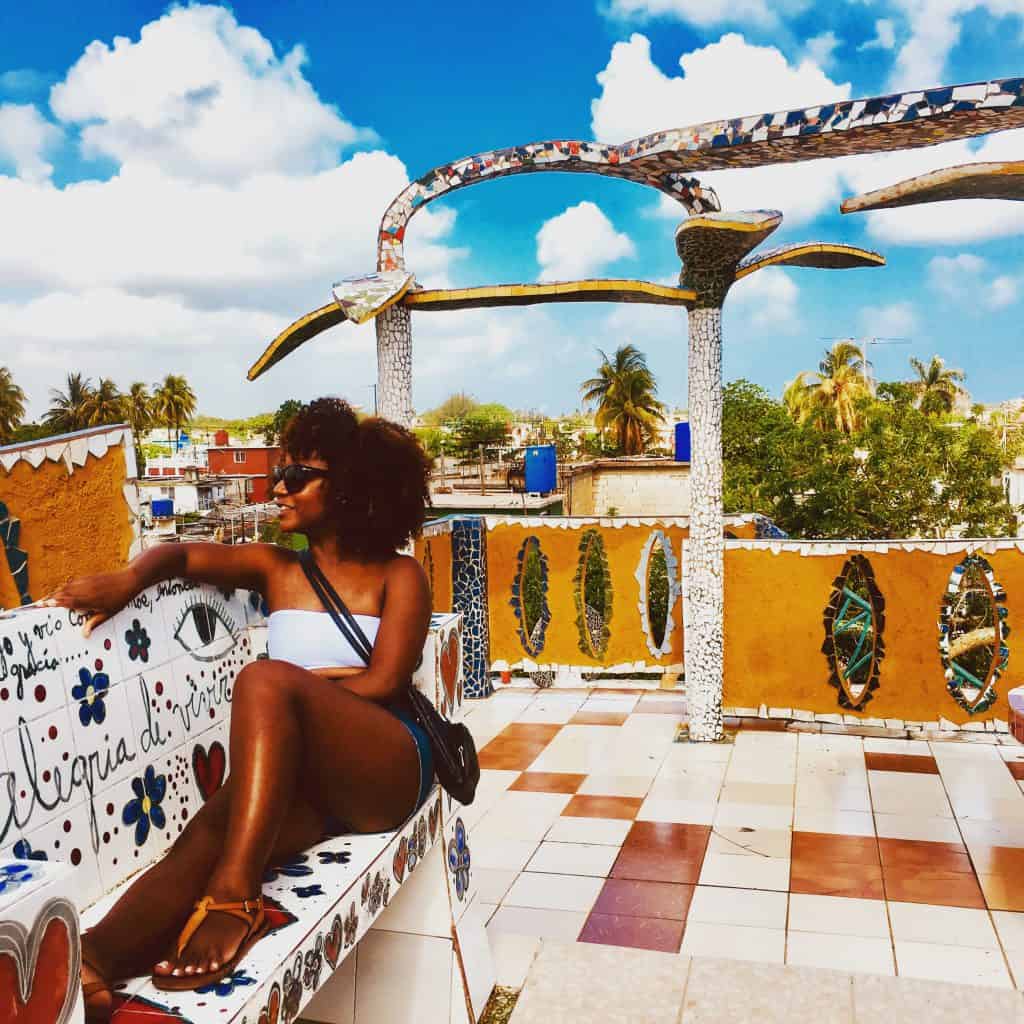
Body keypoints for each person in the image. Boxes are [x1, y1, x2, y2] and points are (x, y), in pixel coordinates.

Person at [49, 398, 434, 1019]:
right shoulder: (276, 569)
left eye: (297, 475)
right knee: (214, 831)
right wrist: (129, 579)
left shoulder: (400, 576)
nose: (277, 486)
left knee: (263, 683)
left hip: (387, 767)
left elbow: (387, 681)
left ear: (349, 488)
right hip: (308, 768)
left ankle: (235, 898)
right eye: (278, 472)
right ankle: (94, 966)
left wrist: (293, 697)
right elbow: (181, 555)